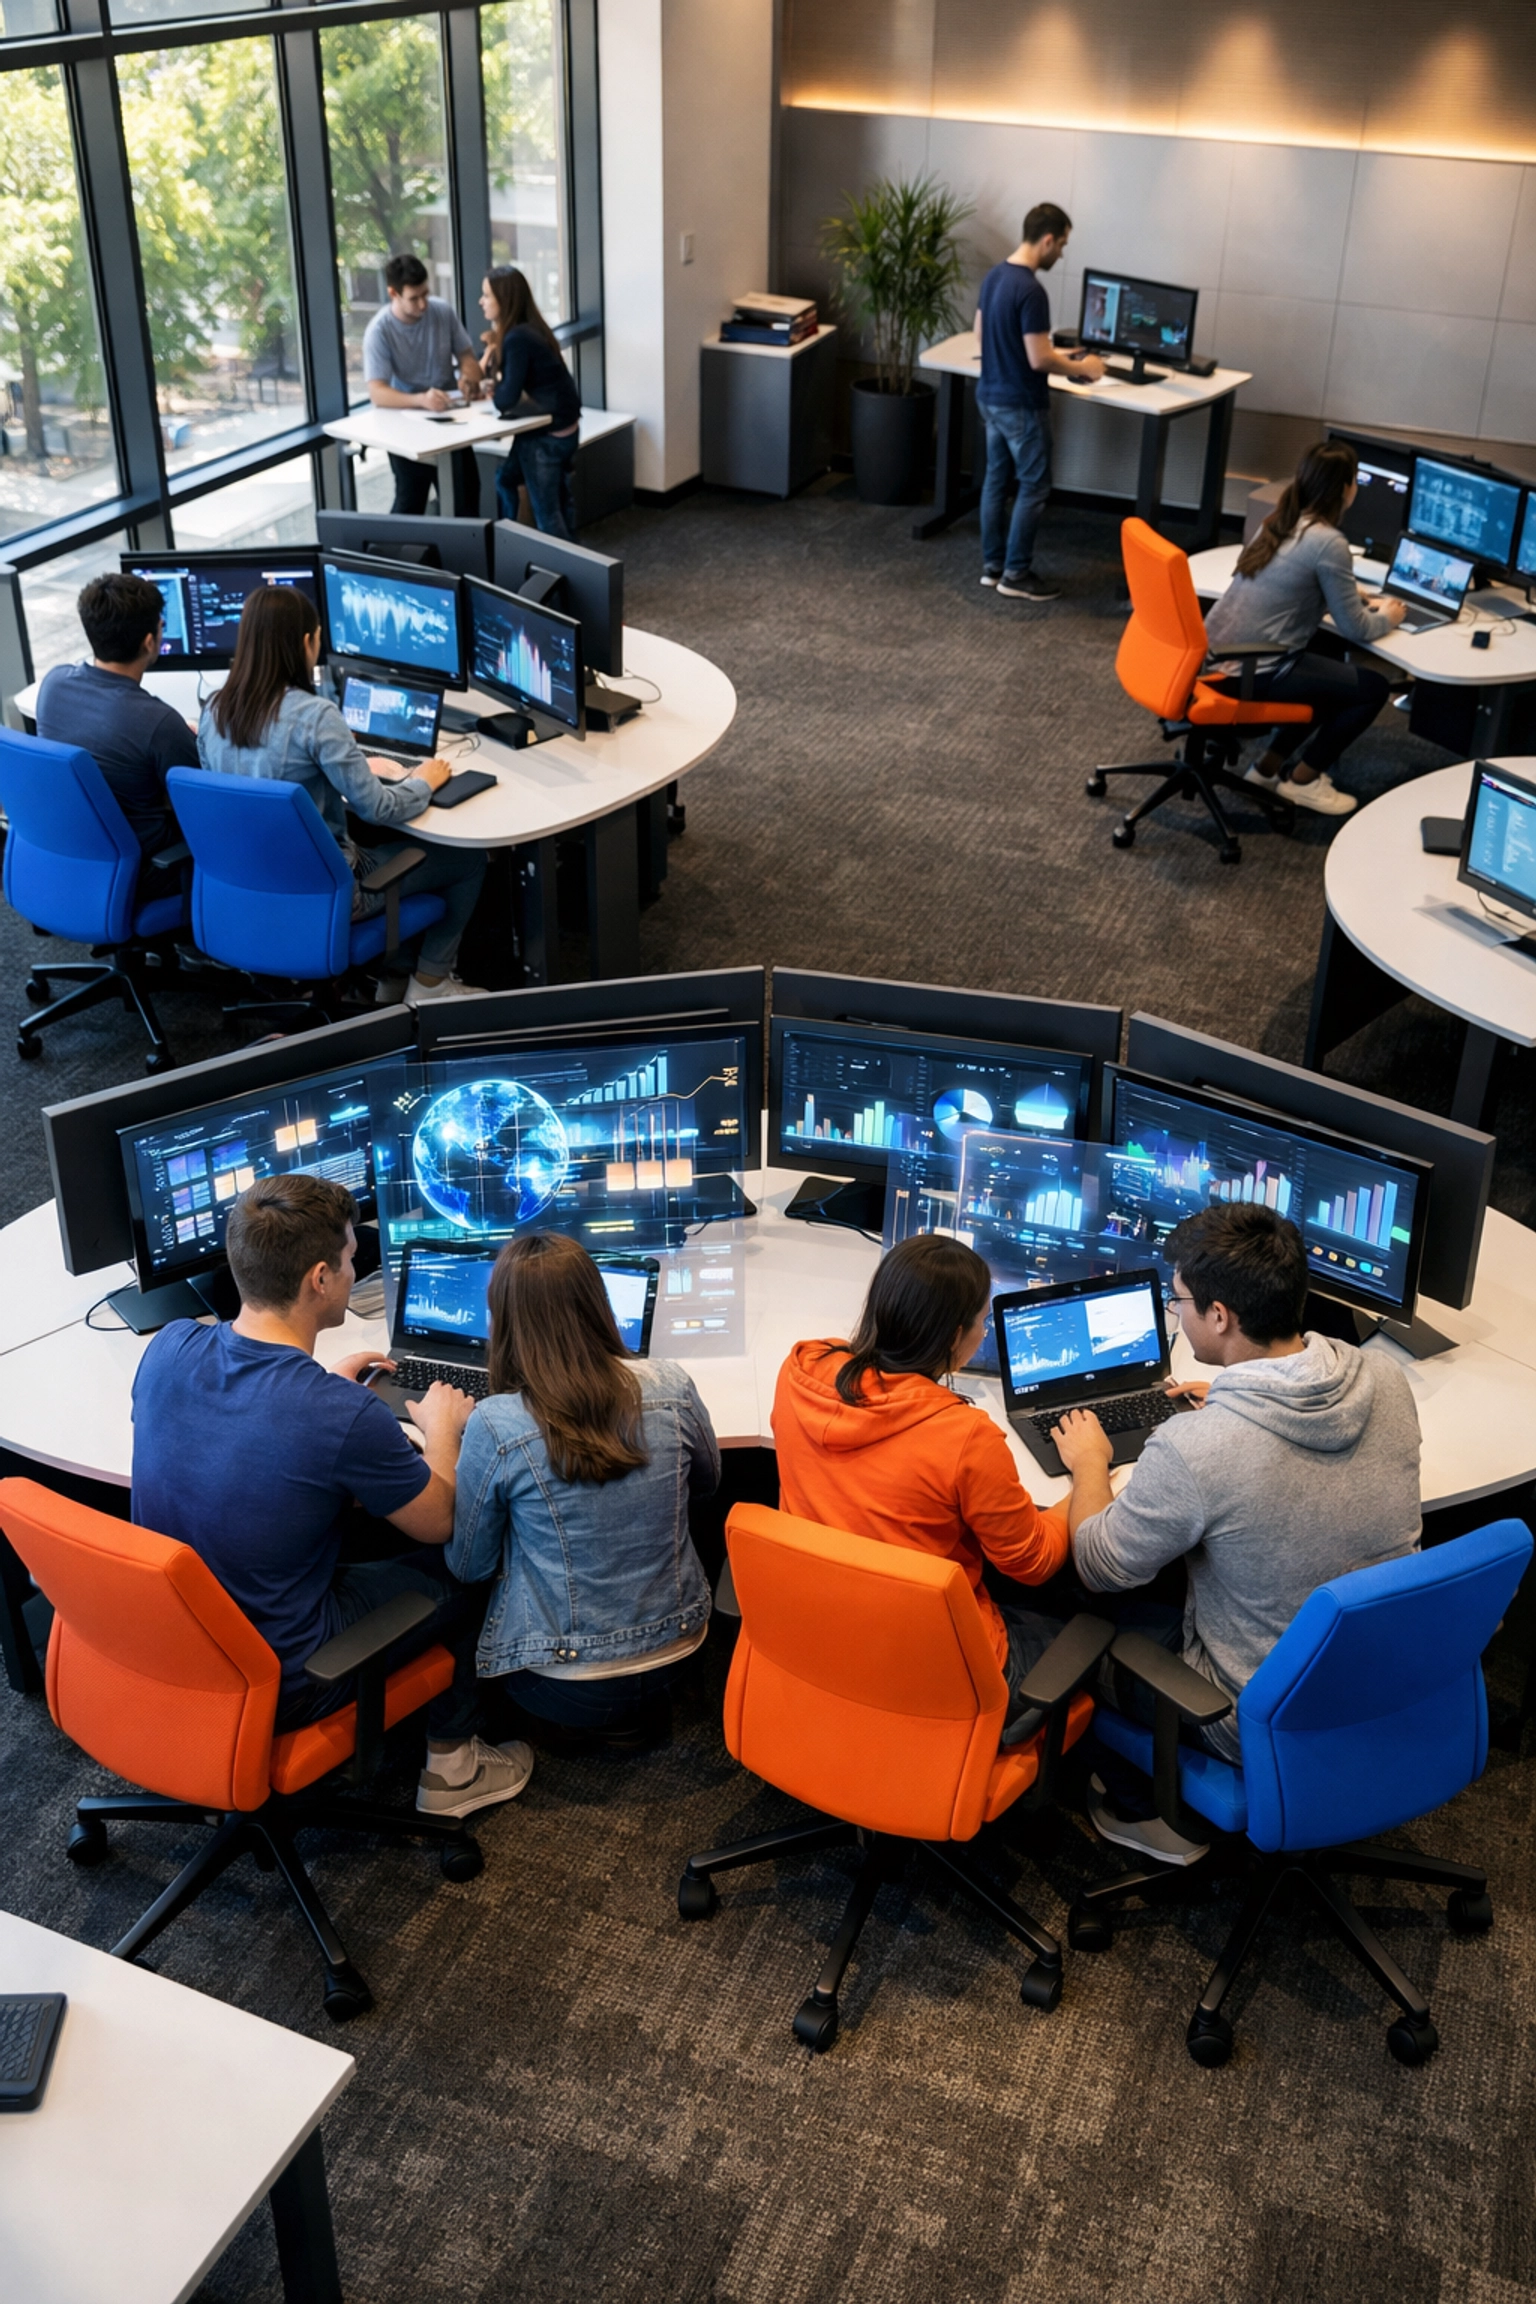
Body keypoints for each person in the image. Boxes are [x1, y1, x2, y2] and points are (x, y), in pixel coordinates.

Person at [130, 1174, 534, 1820]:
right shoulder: (339, 1414)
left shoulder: (169, 1347)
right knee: (468, 1564)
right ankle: (455, 1770)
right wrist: (443, 1431)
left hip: (173, 1645)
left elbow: (227, 1434)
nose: (355, 1269)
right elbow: (440, 1521)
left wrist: (319, 1395)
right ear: (319, 1279)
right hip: (289, 1676)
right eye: (351, 1258)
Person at [1046, 1202, 1421, 1782]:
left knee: (1068, 1630)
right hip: (1381, 1678)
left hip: (1251, 1716)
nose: (1175, 1314)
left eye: (1177, 1301)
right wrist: (1230, 1400)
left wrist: (1090, 1463)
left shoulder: (1194, 1448)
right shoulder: (1385, 1379)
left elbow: (1098, 1565)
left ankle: (1138, 1801)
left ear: (1219, 1315)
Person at [771, 1234, 1074, 1738]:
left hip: (820, 1633)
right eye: (982, 1322)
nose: (984, 1331)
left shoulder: (799, 1371)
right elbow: (1032, 1563)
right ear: (955, 1337)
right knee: (1094, 1627)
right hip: (938, 1668)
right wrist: (1087, 1478)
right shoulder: (964, 1437)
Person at [447, 1233, 719, 1734]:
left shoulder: (496, 1422)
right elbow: (708, 1485)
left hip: (560, 1685)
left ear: (502, 1319)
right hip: (681, 1653)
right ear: (599, 1304)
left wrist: (445, 1439)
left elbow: (470, 1565)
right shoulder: (672, 1385)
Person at [197, 584, 488, 1004]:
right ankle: (430, 985)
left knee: (387, 847)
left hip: (248, 886)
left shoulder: (213, 711)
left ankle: (392, 979)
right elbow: (378, 807)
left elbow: (231, 799)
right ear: (306, 643)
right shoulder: (316, 716)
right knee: (467, 859)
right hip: (330, 893)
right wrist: (425, 780)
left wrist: (336, 758)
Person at [1203, 438, 1402, 817]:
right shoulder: (1329, 542)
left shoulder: (1280, 520)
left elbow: (1290, 583)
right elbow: (1357, 628)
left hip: (1216, 658)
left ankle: (1265, 771)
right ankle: (1304, 782)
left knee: (1328, 670)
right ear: (1346, 488)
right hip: (1249, 671)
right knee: (1371, 689)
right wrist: (1390, 616)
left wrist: (1344, 591)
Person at [974, 202, 1104, 603]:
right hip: (1021, 404)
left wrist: (1048, 355)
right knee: (1033, 485)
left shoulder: (995, 276)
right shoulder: (1031, 290)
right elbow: (1038, 359)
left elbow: (980, 334)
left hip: (990, 396)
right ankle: (1016, 573)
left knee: (996, 481)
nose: (1061, 253)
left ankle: (993, 566)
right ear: (1047, 240)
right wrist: (1084, 367)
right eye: (1061, 244)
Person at [35, 572, 198, 891]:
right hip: (147, 870)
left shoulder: (53, 684)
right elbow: (198, 807)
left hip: (76, 854)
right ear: (149, 642)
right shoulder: (160, 723)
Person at [361, 253, 484, 516]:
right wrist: (421, 400)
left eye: (426, 294)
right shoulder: (379, 331)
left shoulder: (442, 311)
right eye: (414, 298)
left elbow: (466, 356)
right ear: (393, 293)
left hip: (450, 418)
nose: (423, 304)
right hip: (406, 424)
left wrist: (469, 376)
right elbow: (377, 392)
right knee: (411, 499)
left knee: (466, 493)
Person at [478, 267, 582, 538]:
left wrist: (496, 389)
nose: (481, 301)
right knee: (508, 479)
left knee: (547, 514)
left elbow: (505, 400)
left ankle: (557, 561)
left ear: (504, 299)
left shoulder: (517, 338)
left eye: (487, 295)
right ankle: (511, 542)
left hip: (547, 437)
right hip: (566, 427)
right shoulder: (534, 328)